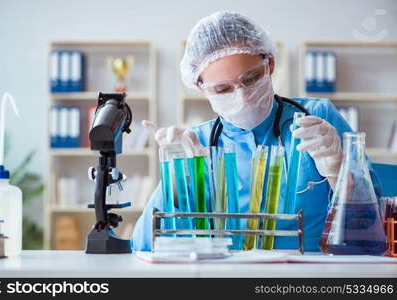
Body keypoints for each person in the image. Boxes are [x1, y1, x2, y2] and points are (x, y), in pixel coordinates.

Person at [132, 11, 381, 252]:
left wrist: (340, 173)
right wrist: (175, 185)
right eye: (222, 89)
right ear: (200, 88)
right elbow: (142, 245)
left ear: (269, 64)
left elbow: (375, 224)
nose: (242, 97)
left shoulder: (317, 118)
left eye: (251, 78)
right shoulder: (196, 144)